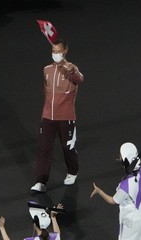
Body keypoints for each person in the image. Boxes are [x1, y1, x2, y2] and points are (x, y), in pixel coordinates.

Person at [33, 39, 84, 192]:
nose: (55, 54)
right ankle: (41, 182)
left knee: (67, 147)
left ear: (65, 51)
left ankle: (72, 171)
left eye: (58, 51)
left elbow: (80, 79)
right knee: (44, 148)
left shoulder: (71, 69)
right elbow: (45, 90)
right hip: (48, 116)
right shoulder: (46, 69)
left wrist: (73, 69)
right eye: (53, 51)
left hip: (66, 116)